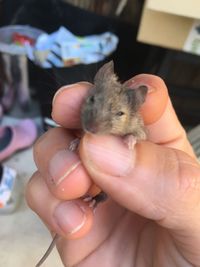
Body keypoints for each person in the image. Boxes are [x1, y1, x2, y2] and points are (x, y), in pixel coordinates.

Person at [26, 74, 200, 266]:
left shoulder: (134, 123)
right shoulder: (90, 119)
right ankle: (93, 196)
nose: (94, 122)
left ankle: (97, 197)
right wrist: (78, 140)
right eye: (93, 101)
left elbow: (141, 133)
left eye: (118, 114)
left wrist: (132, 140)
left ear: (131, 110)